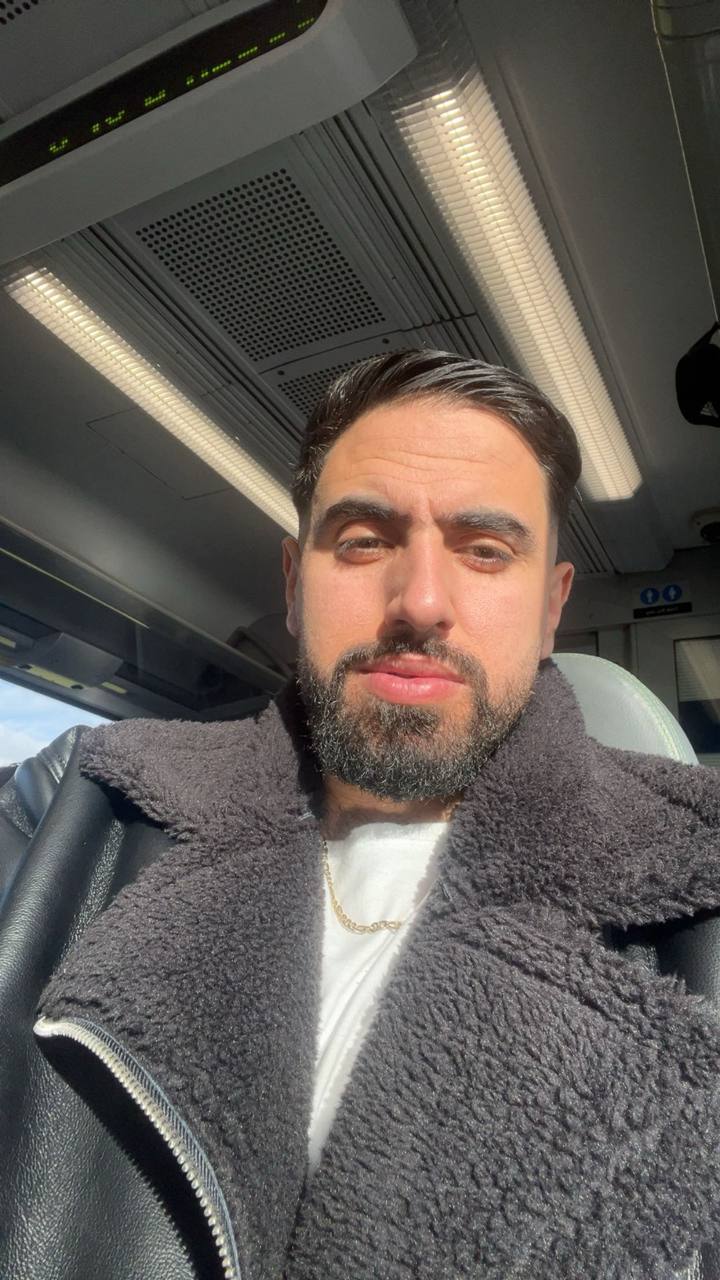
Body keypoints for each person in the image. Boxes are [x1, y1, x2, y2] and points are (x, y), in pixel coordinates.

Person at [1, 349, 720, 1280]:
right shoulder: (82, 811)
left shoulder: (697, 872)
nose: (419, 602)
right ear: (294, 584)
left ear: (551, 607)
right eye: (365, 540)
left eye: (485, 550)